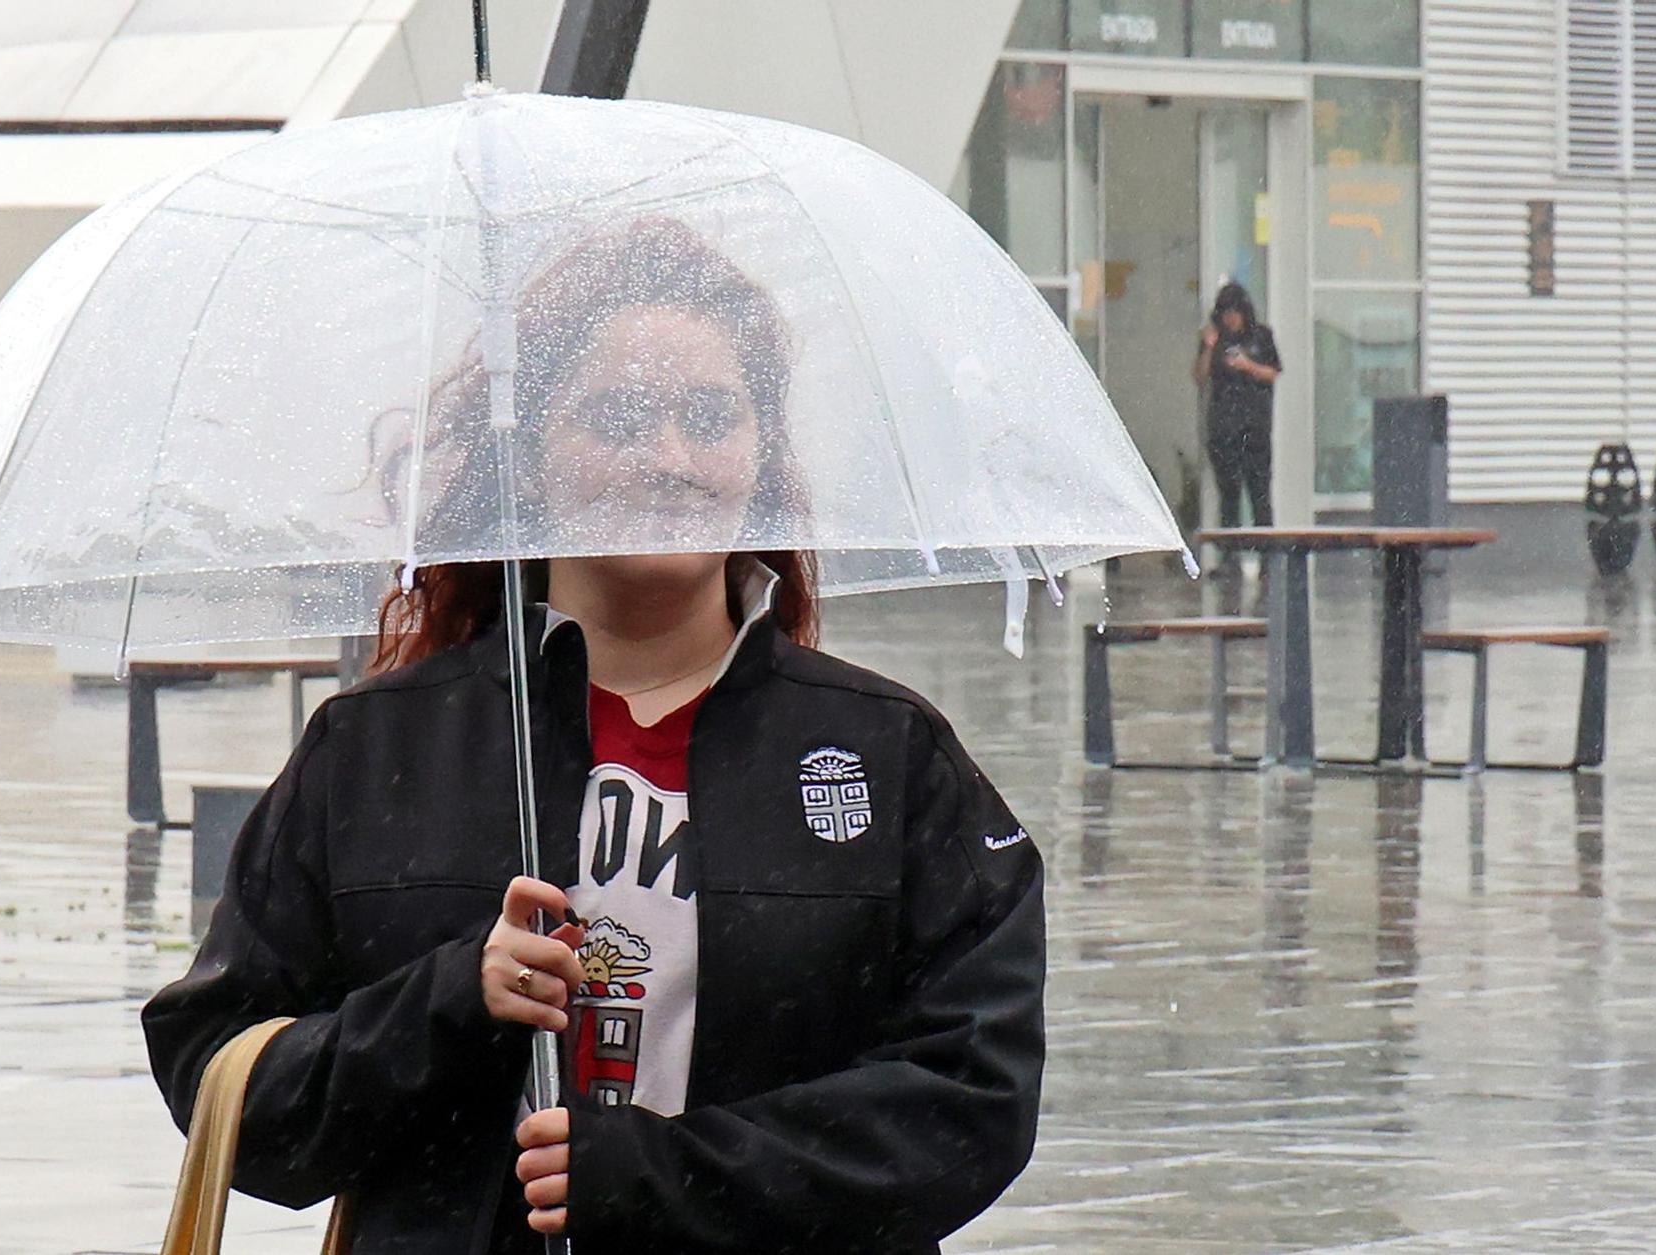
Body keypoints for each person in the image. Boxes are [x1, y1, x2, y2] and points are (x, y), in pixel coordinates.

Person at [141, 219, 1047, 1254]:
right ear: (526, 452)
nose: (666, 457)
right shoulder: (375, 749)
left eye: (709, 415)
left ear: (762, 448)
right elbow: (215, 1077)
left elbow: (972, 1101)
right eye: (614, 417)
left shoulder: (888, 756)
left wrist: (658, 1173)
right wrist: (444, 1001)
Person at [1192, 282, 1281, 545]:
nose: (1230, 319)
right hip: (1224, 428)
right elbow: (1199, 376)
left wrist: (1248, 366)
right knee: (1228, 496)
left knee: (1260, 494)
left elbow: (1273, 373)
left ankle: (1266, 556)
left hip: (1255, 428)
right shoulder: (1215, 339)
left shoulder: (1261, 336)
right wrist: (1209, 346)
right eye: (1225, 313)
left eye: (1234, 312)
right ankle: (1229, 558)